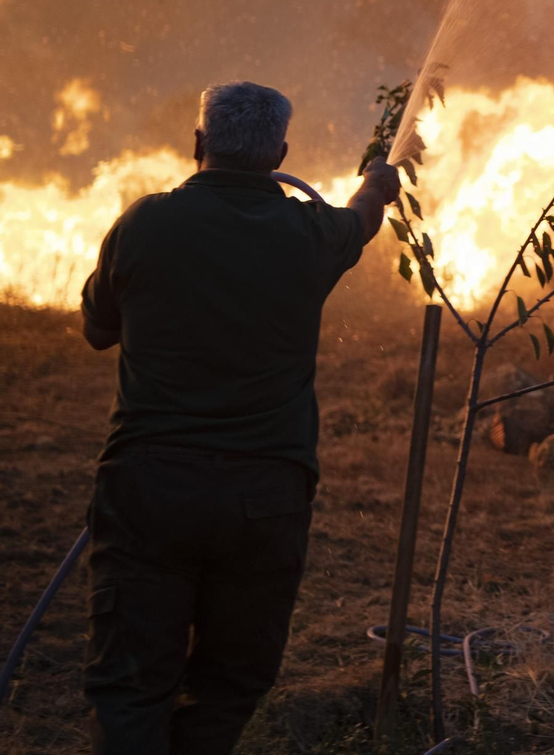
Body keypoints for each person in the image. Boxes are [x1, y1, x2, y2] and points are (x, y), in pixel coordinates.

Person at [77, 81, 400, 754]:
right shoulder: (310, 233)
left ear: (199, 145)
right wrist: (377, 182)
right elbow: (362, 217)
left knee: (132, 684)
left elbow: (97, 329)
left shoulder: (144, 224)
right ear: (280, 152)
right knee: (229, 682)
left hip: (148, 490)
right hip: (265, 499)